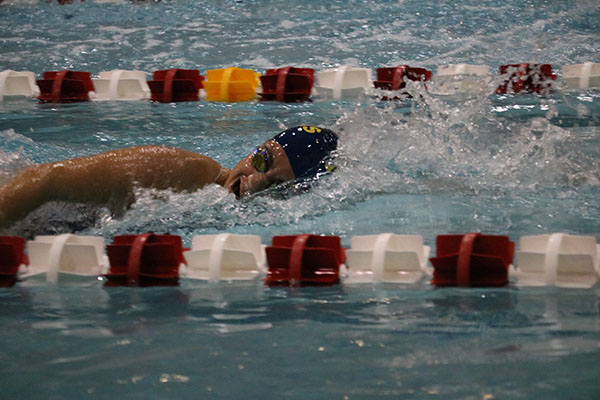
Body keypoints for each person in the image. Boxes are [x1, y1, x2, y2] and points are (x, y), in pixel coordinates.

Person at [0, 125, 338, 229]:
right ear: (254, 149)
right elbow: (46, 180)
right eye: (262, 163)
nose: (251, 182)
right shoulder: (187, 173)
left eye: (277, 187)